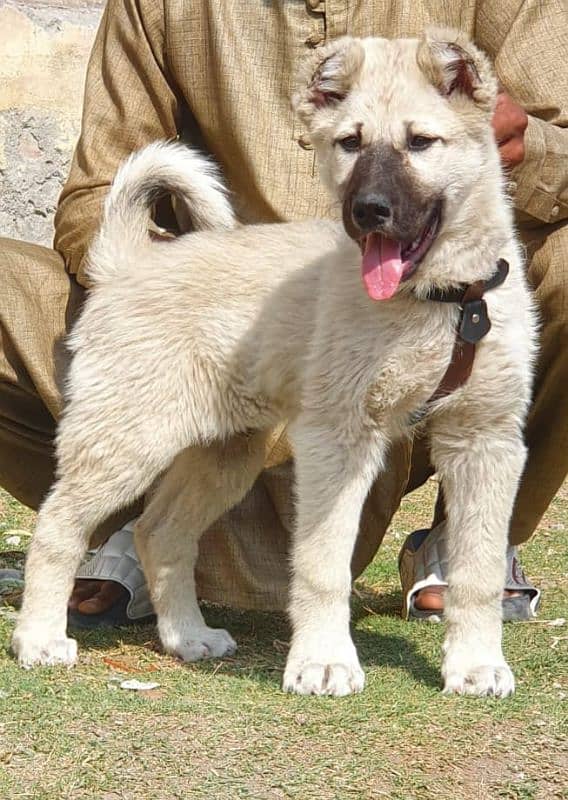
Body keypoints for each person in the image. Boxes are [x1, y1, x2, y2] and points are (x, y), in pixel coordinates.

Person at [1, 0, 566, 627]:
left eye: (418, 141)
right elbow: (97, 194)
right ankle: (131, 523)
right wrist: (192, 292)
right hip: (223, 319)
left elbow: (555, 147)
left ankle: (462, 544)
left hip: (429, 346)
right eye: (350, 144)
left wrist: (523, 143)